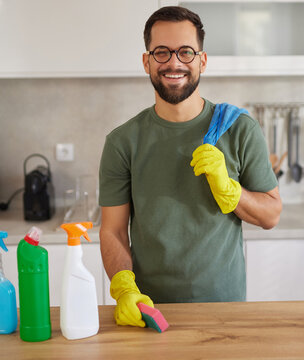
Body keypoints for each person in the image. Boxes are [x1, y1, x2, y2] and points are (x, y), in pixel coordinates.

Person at [99, 6, 282, 328]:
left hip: (223, 307)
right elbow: (113, 230)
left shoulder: (238, 129)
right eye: (161, 52)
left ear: (202, 60)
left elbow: (270, 215)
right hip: (148, 308)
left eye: (186, 52)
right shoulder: (122, 142)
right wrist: (124, 287)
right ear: (146, 62)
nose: (174, 63)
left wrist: (229, 189)